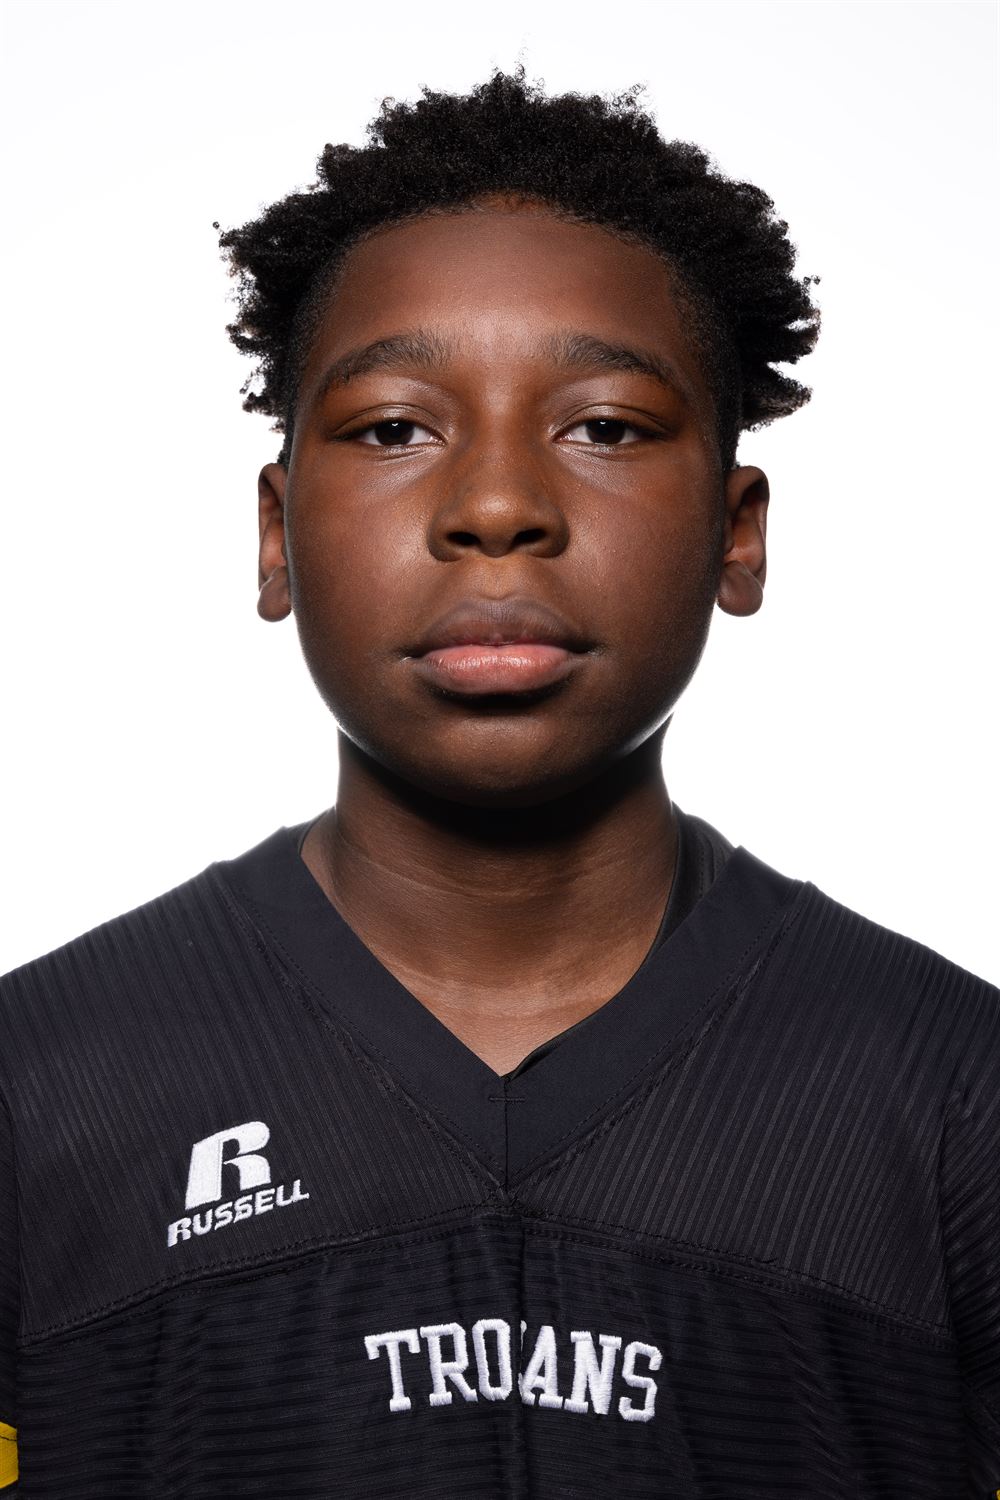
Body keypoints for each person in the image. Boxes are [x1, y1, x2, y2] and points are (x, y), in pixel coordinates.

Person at [0, 69, 996, 1499]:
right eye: (394, 428)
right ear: (277, 536)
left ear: (738, 533)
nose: (496, 507)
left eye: (606, 427)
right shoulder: (40, 1088)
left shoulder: (955, 1100)